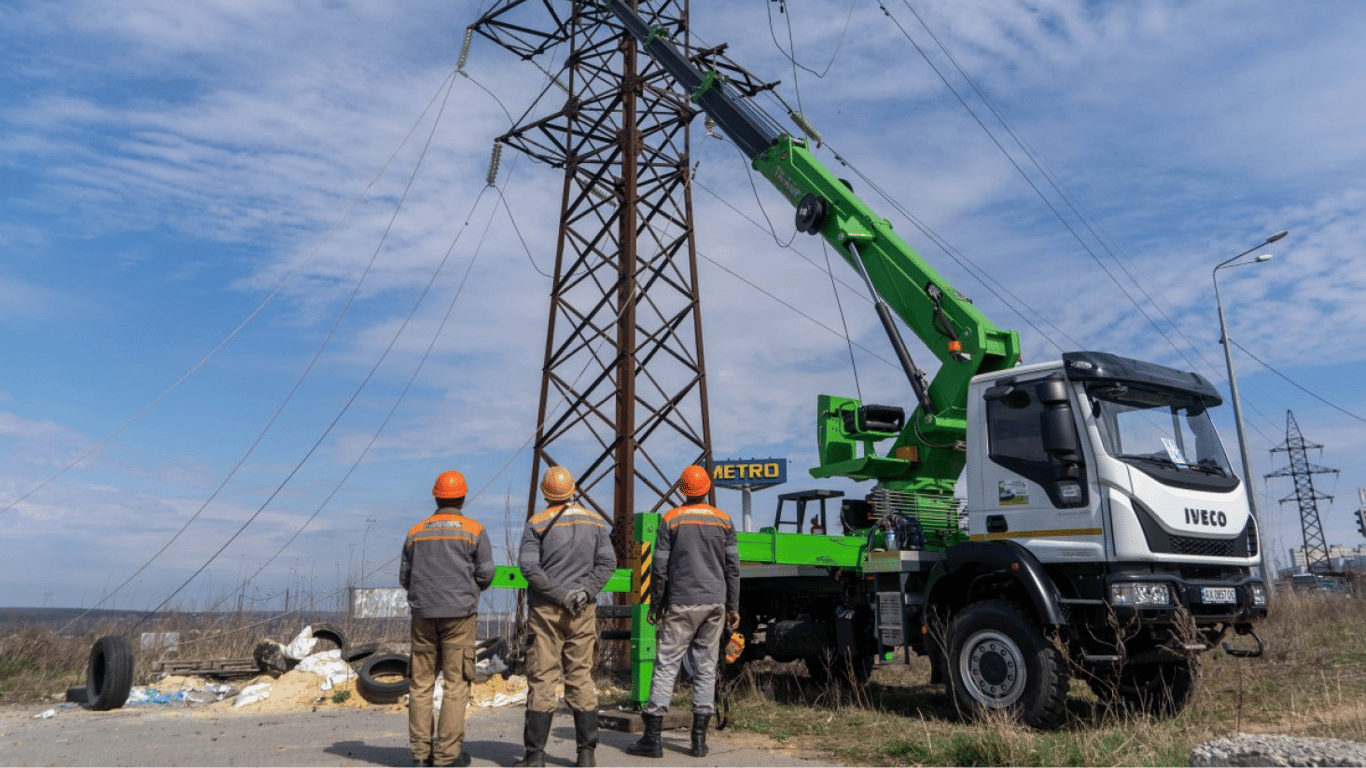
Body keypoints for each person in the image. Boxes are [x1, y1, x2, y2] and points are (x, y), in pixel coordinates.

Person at [626, 464, 740, 760]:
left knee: (666, 666)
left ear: (681, 490)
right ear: (707, 489)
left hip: (681, 603)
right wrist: (733, 607)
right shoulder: (725, 521)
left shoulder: (671, 520)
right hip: (714, 604)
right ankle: (699, 741)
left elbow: (659, 568)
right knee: (705, 667)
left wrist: (656, 605)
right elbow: (733, 569)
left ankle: (652, 739)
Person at [512, 466, 616, 768]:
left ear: (546, 493)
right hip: (583, 611)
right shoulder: (595, 521)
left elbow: (529, 568)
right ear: (572, 490)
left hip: (546, 611)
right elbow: (608, 562)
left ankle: (535, 757)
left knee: (542, 678)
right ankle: (586, 755)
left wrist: (560, 594)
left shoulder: (537, 523)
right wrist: (584, 592)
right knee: (580, 677)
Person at [400, 470, 496, 768]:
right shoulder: (474, 530)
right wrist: (471, 591)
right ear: (463, 497)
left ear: (435, 495)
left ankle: (419, 755)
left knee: (421, 684)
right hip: (460, 617)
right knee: (456, 685)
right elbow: (487, 572)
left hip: (423, 617)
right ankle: (446, 757)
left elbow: (405, 577)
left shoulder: (416, 532)